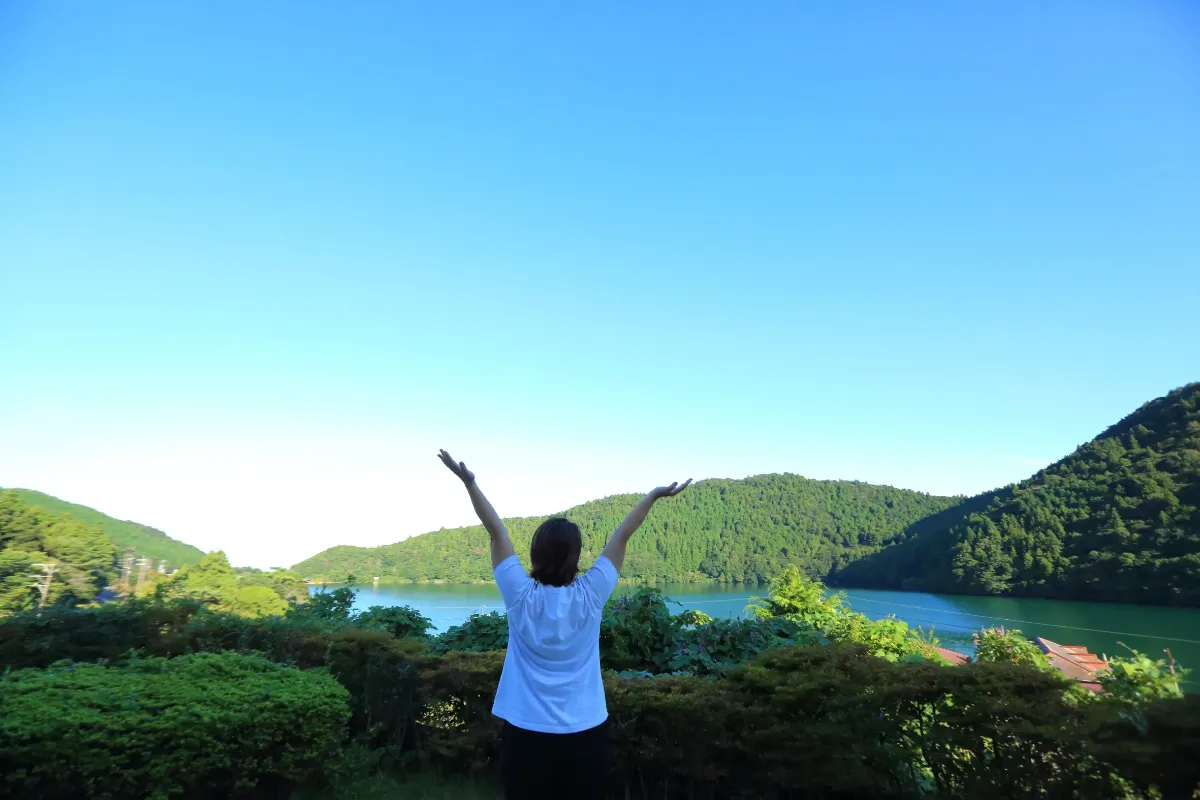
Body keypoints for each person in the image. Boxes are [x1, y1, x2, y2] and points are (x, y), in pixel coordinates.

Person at [438, 449, 691, 800]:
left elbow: (496, 533)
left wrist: (470, 484)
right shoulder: (591, 594)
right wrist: (652, 497)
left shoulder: (519, 595)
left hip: (525, 737)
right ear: (576, 556)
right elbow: (621, 536)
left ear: (535, 553)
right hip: (585, 738)